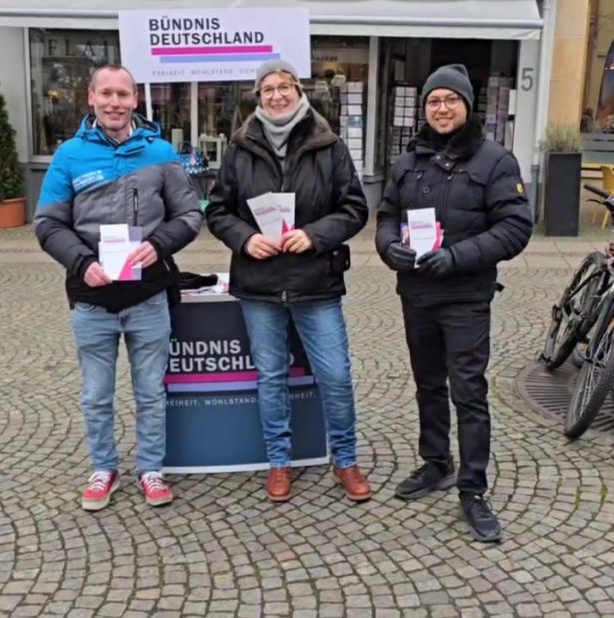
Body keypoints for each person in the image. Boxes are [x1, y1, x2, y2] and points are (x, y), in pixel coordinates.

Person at [374, 64, 533, 542]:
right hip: (417, 292)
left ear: (466, 104)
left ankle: (473, 489)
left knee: (468, 392)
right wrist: (389, 247)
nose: (441, 108)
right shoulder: (408, 161)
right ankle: (436, 462)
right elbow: (386, 217)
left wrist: (457, 256)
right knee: (427, 385)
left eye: (450, 100)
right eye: (433, 101)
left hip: (465, 295)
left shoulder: (495, 161)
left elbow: (515, 228)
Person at [34, 64, 202, 511]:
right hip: (92, 298)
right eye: (106, 93)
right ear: (91, 97)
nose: (114, 102)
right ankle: (103, 468)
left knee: (151, 393)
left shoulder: (161, 152)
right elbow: (48, 224)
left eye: (123, 94)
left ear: (135, 100)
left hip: (148, 296)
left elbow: (190, 216)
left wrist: (159, 245)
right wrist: (81, 262)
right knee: (96, 395)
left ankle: (151, 469)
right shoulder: (70, 155)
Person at [204, 59, 371, 503]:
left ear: (299, 91)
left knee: (335, 375)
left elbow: (355, 208)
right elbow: (217, 210)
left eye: (284, 87)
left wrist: (315, 235)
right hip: (259, 282)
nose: (276, 95)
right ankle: (279, 461)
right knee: (271, 376)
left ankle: (346, 459)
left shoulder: (328, 144)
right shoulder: (240, 147)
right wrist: (245, 239)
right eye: (267, 89)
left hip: (316, 281)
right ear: (257, 97)